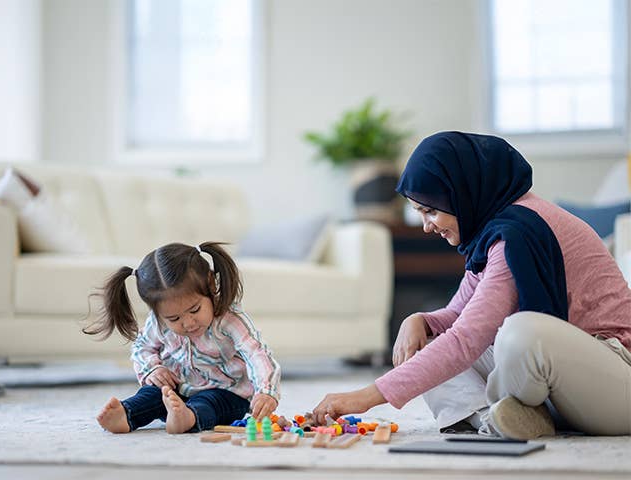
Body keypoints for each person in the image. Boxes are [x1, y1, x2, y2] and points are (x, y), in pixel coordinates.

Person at [312, 131, 631, 439]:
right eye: (420, 213)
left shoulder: (516, 237)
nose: (426, 226)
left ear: (462, 192)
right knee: (430, 343)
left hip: (614, 381)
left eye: (431, 211)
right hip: (564, 387)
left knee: (522, 332)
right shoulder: (492, 231)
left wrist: (364, 397)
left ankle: (512, 412)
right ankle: (498, 420)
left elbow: (468, 338)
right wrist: (420, 321)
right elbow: (458, 316)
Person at [84, 241, 280, 434]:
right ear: (158, 312)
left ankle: (189, 417)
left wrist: (266, 391)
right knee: (152, 393)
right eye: (174, 318)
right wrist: (153, 368)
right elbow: (142, 347)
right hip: (177, 390)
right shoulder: (158, 323)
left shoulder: (229, 320)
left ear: (211, 285)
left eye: (195, 310)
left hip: (227, 393)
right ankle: (126, 414)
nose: (188, 323)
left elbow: (256, 353)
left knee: (211, 403)